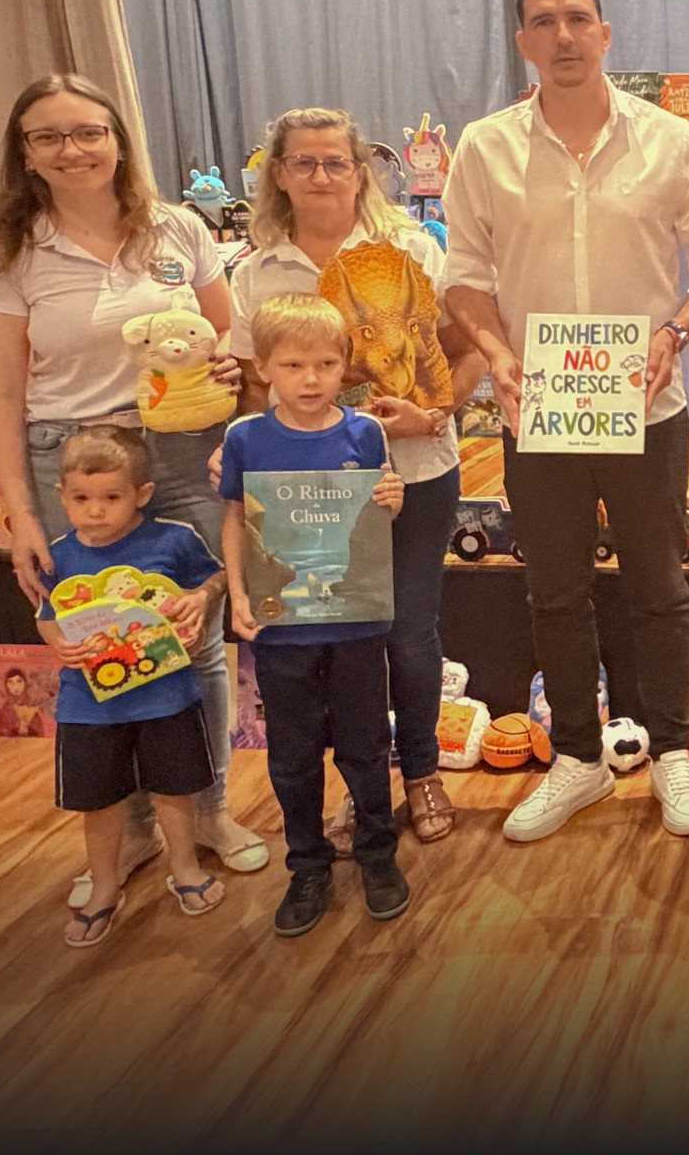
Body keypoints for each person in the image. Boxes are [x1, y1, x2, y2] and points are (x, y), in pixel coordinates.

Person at [445, 0, 689, 844]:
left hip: (647, 408)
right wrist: (497, 352)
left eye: (577, 20)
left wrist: (672, 333)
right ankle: (576, 756)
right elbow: (464, 277)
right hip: (539, 410)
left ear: (605, 34)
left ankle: (672, 751)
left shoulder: (671, 142)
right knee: (555, 592)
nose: (563, 36)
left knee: (660, 587)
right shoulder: (485, 147)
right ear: (523, 40)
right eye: (544, 22)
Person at [0, 72, 266, 905]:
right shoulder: (10, 249)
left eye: (88, 132)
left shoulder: (176, 226)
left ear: (117, 140)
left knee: (194, 632)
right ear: (26, 153)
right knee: (100, 633)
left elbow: (224, 336)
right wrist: (22, 514)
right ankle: (135, 828)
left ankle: (205, 810)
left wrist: (225, 367)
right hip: (73, 463)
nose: (73, 150)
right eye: (49, 137)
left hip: (180, 448)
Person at [229, 107, 483, 846]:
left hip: (414, 472)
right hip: (301, 495)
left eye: (335, 162)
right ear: (278, 174)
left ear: (360, 172)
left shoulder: (411, 250)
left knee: (409, 633)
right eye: (303, 162)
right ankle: (361, 788)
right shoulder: (257, 271)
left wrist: (432, 415)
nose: (320, 175)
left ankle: (423, 771)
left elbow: (466, 351)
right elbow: (249, 386)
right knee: (334, 645)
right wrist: (242, 450)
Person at [219, 294, 408, 936]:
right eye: (293, 365)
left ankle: (378, 855)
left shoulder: (366, 432)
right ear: (263, 367)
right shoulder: (245, 437)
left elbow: (380, 512)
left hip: (357, 624)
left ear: (344, 365)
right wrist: (237, 593)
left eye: (326, 364)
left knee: (366, 746)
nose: (311, 379)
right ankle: (307, 865)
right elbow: (235, 520)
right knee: (293, 753)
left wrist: (393, 497)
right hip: (282, 629)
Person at [36, 427, 229, 946]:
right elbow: (47, 615)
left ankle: (185, 868)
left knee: (176, 790)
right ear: (62, 495)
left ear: (142, 494)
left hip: (168, 697)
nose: (95, 511)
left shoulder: (174, 539)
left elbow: (214, 579)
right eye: (81, 498)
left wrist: (199, 600)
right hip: (88, 707)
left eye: (111, 497)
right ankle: (104, 885)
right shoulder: (58, 555)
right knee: (98, 802)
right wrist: (58, 644)